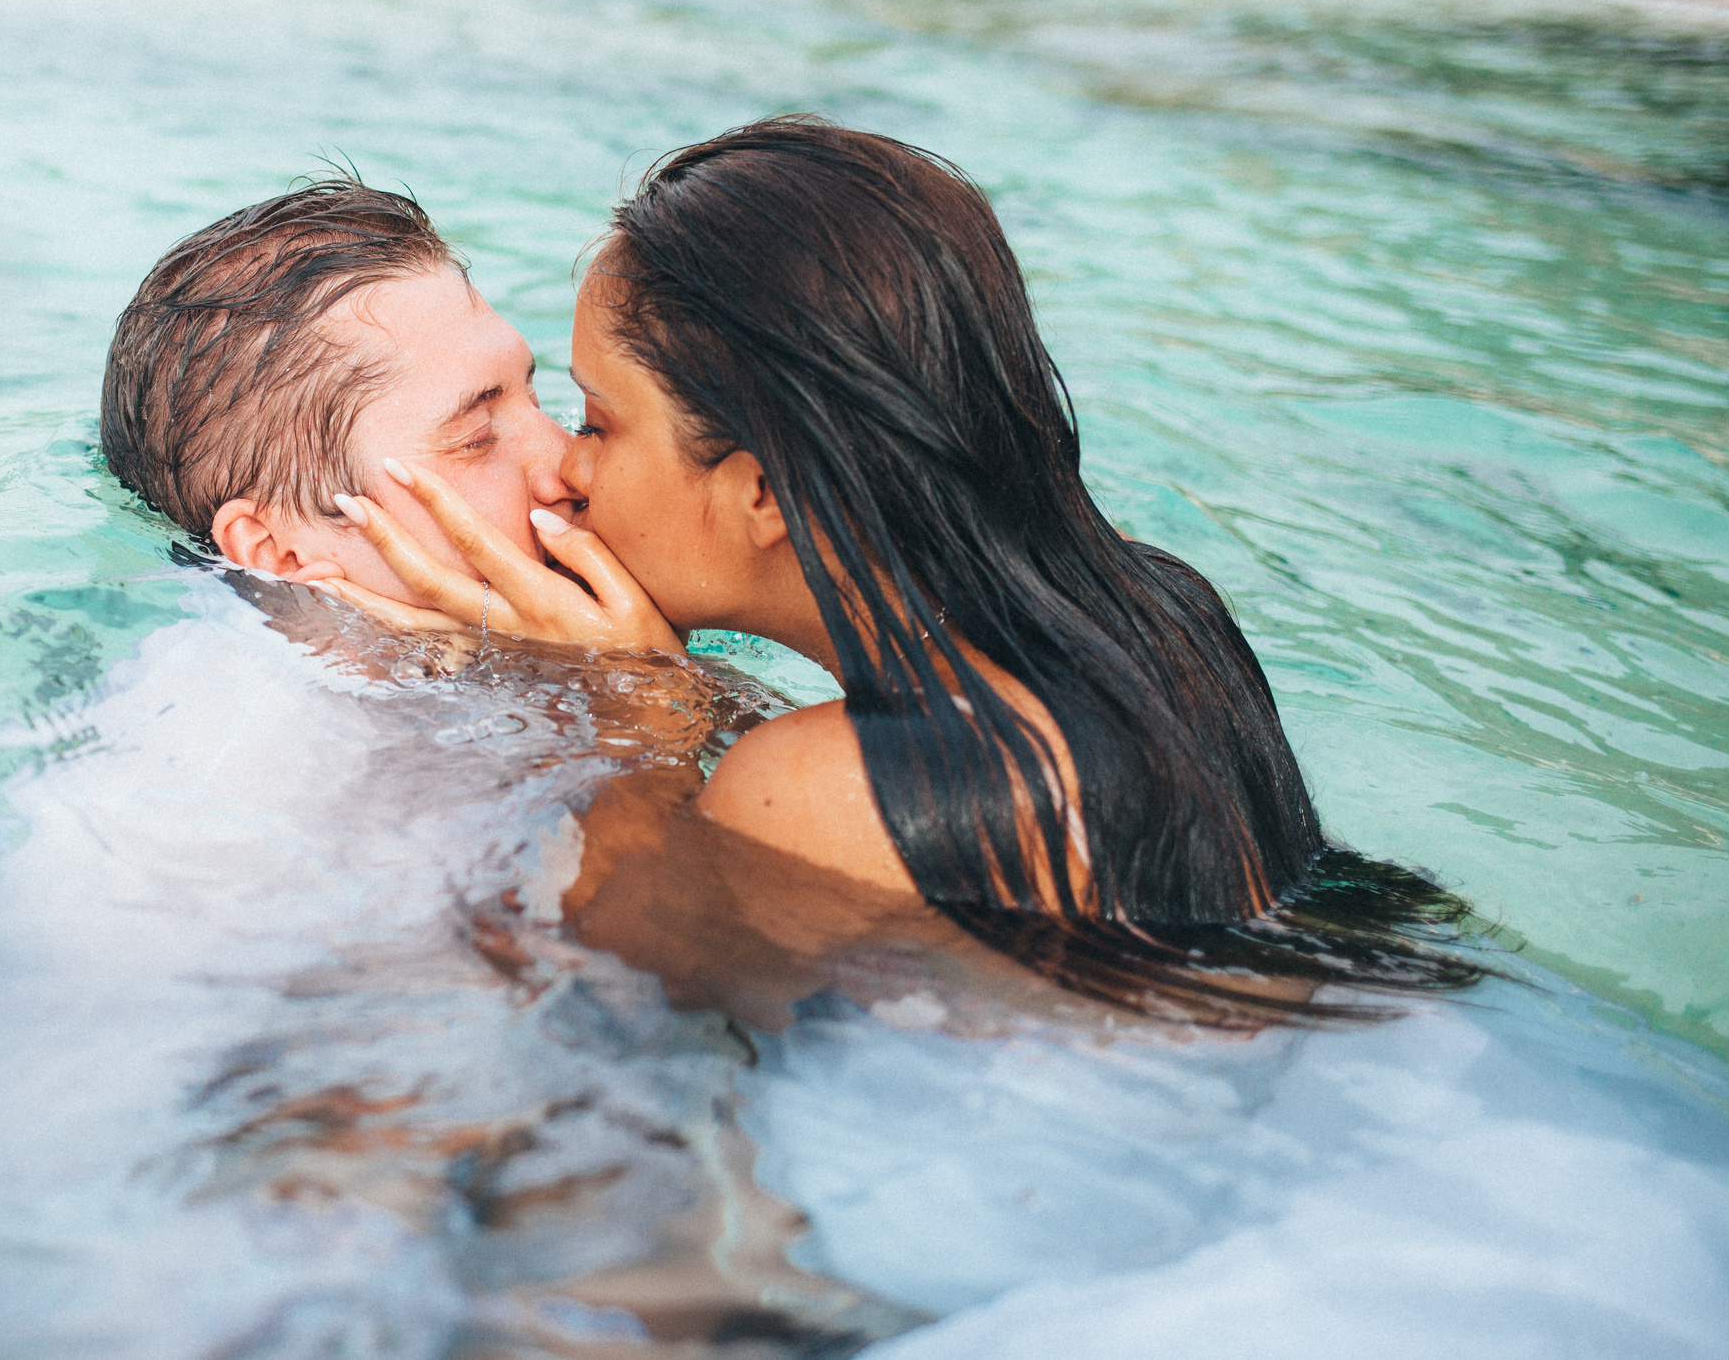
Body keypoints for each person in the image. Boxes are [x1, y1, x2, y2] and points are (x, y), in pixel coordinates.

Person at [322, 116, 1485, 1022]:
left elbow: (615, 991)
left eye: (597, 422)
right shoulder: (1164, 608)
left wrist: (634, 722)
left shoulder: (814, 788)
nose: (564, 473)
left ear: (767, 491)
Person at [100, 178, 579, 600]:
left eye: (532, 399)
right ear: (278, 554)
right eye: (477, 437)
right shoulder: (234, 702)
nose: (574, 461)